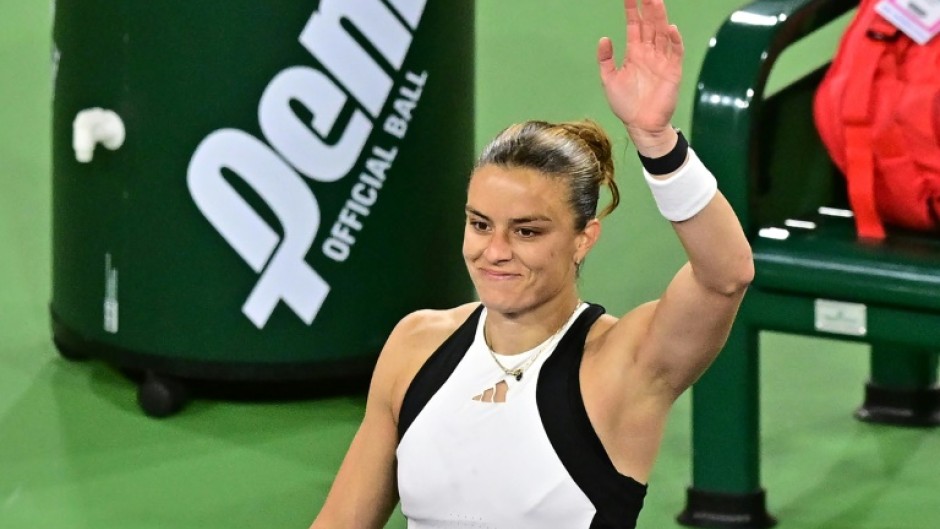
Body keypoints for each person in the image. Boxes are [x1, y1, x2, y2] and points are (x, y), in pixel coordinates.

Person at [310, 0, 753, 527]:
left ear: (583, 238)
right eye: (480, 224)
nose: (494, 251)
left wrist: (658, 144)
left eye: (526, 232)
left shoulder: (625, 365)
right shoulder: (415, 345)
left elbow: (725, 276)